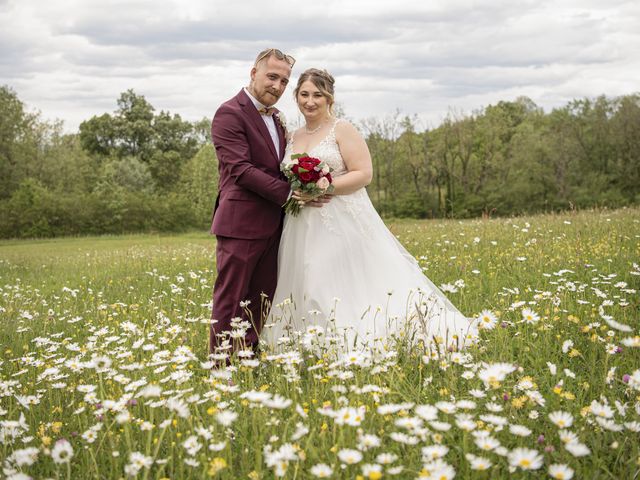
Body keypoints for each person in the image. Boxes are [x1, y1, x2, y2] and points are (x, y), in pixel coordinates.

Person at [264, 68, 478, 351]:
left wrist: (323, 187)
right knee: (304, 279)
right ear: (296, 96)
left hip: (338, 220)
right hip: (301, 223)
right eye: (304, 94)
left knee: (328, 279)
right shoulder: (292, 136)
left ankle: (347, 342)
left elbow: (363, 173)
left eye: (318, 94)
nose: (310, 101)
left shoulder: (342, 129)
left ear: (329, 98)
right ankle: (307, 345)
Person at [209, 48, 296, 358]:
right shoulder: (230, 112)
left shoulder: (278, 119)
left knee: (262, 297)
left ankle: (247, 355)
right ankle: (221, 364)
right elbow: (241, 170)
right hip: (241, 223)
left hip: (275, 223)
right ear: (254, 73)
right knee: (231, 296)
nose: (277, 86)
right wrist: (289, 194)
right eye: (272, 76)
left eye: (284, 81)